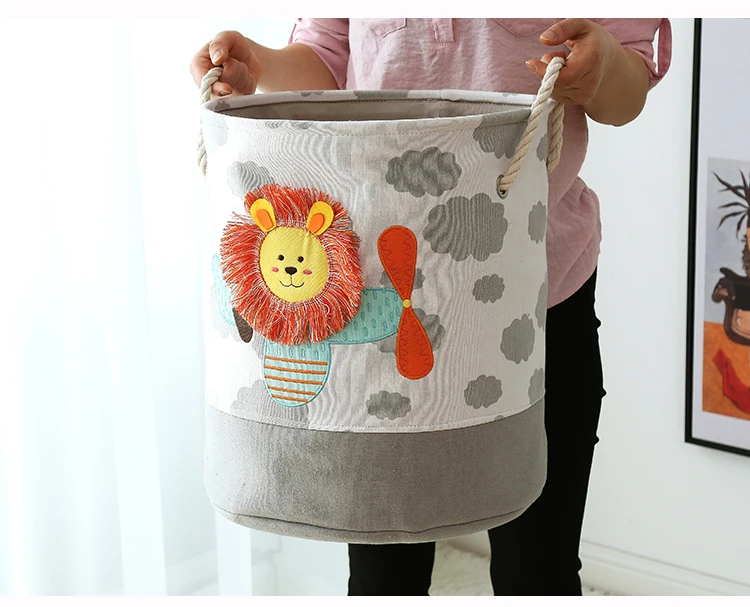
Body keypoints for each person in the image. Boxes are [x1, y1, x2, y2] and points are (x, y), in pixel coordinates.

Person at [191, 18, 672, 596]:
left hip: (540, 293)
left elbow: (627, 93)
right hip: (376, 280)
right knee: (382, 573)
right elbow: (327, 57)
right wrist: (260, 63)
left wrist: (603, 68)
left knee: (536, 568)